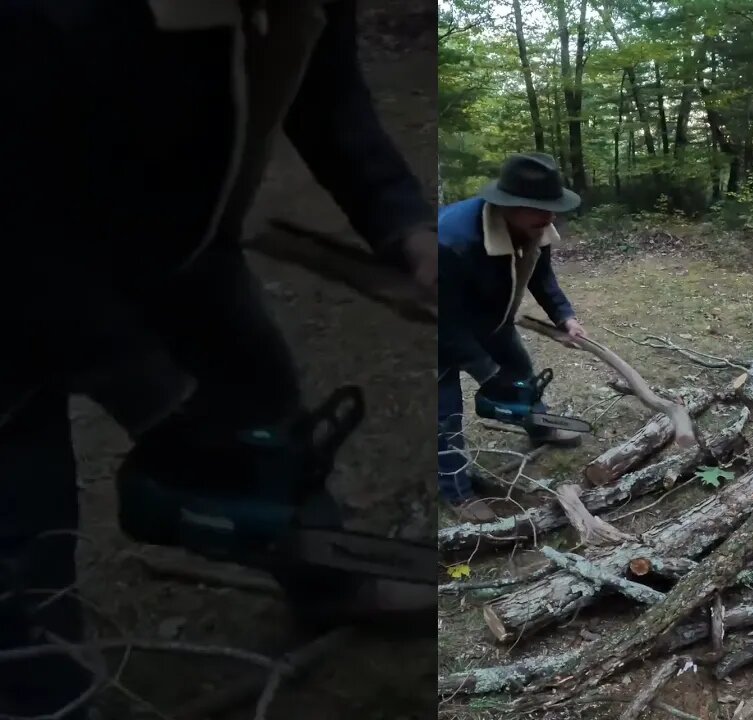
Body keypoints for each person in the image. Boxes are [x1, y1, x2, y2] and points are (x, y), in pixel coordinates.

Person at [0, 2, 437, 716]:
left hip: (178, 242)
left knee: (269, 423)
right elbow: (20, 223)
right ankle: (43, 694)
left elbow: (327, 92)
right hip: (16, 261)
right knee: (23, 522)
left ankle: (328, 578)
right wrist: (155, 394)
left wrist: (402, 223)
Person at [437, 153, 588, 523]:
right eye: (541, 210)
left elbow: (542, 277)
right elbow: (443, 320)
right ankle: (457, 492)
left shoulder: (537, 228)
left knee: (520, 371)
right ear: (510, 207)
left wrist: (564, 316)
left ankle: (539, 427)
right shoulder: (450, 240)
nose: (550, 218)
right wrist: (488, 373)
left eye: (553, 208)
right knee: (444, 415)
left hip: (490, 319)